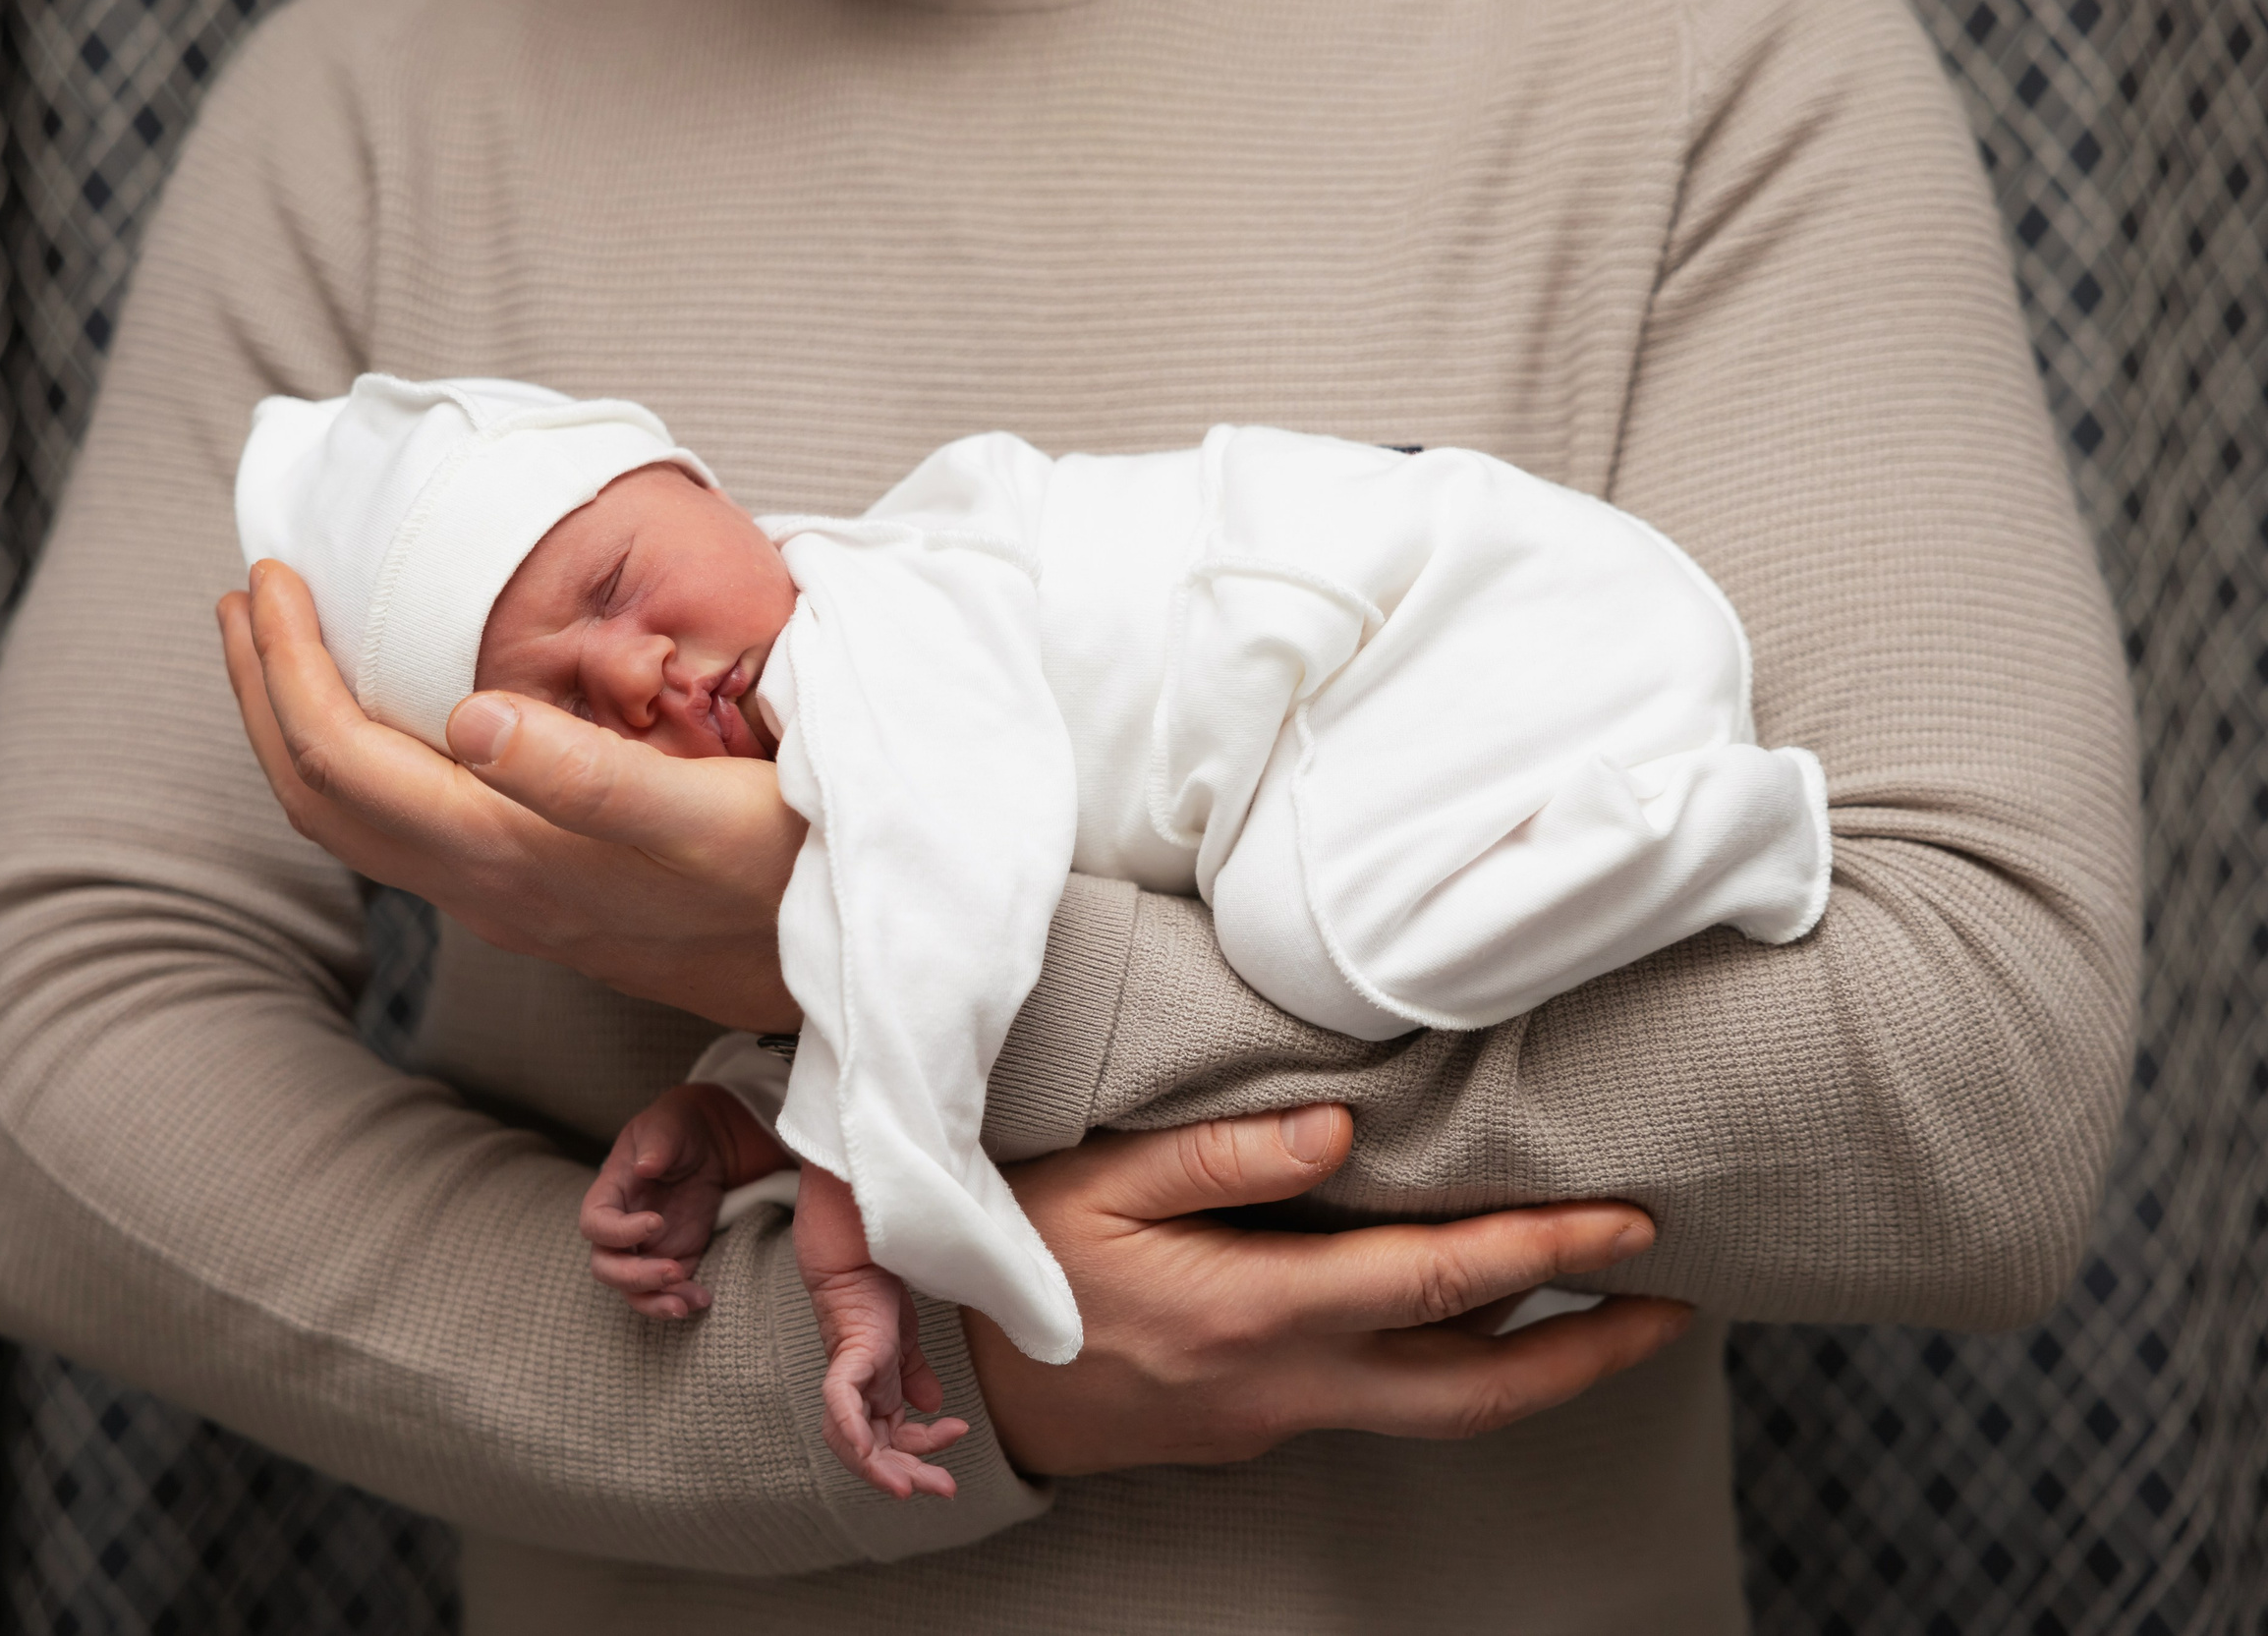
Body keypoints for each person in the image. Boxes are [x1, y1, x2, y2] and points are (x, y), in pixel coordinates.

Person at [0, 0, 2139, 1630]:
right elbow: (61, 1081)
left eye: (614, 586)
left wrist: (879, 984)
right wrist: (944, 1356)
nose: (639, 672)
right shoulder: (371, 109)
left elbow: (1978, 1086)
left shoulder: (1701, 37)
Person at [234, 371, 1833, 1497]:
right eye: (568, 709)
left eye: (617, 584)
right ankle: (1632, 815)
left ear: (710, 491)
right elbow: (879, 951)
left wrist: (858, 1249)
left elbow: (945, 917)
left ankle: (1715, 830)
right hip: (1456, 674)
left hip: (1465, 625)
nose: (635, 670)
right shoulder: (827, 718)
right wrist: (740, 1117)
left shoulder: (868, 626)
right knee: (1299, 917)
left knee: (1312, 943)